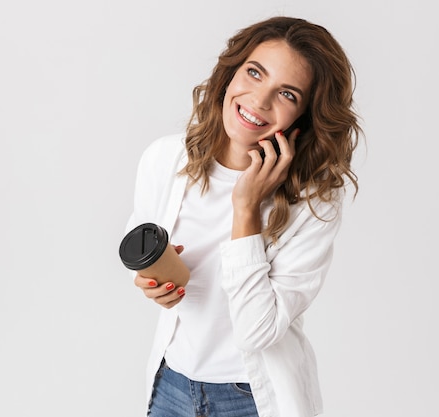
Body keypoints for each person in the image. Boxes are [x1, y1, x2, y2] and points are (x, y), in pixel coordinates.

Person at [124, 16, 362, 417]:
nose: (259, 101)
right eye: (254, 72)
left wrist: (246, 208)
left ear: (303, 118)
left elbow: (257, 331)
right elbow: (141, 246)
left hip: (250, 399)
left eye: (286, 94)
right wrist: (150, 282)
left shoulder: (314, 202)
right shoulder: (165, 159)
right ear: (230, 72)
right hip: (170, 386)